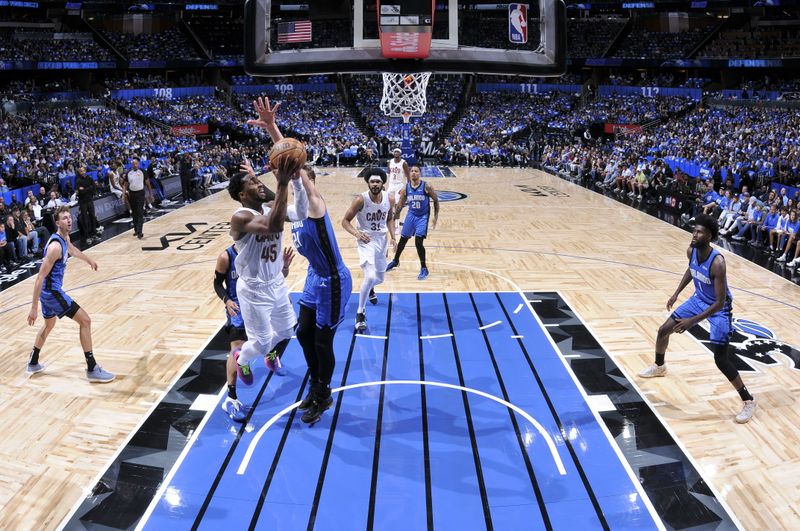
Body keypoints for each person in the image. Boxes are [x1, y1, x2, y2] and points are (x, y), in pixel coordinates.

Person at [254, 96, 353, 425]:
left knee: (323, 342)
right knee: (303, 334)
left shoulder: (314, 204)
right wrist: (270, 128)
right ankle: (316, 383)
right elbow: (282, 182)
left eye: (299, 175)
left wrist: (274, 130)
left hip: (334, 280)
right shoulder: (294, 212)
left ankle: (323, 393)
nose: (295, 179)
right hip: (315, 278)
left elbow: (294, 173)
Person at [639, 214, 756, 424]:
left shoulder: (718, 263)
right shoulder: (691, 250)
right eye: (694, 230)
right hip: (699, 299)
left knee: (720, 359)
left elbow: (719, 303)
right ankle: (659, 366)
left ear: (709, 236)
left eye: (699, 232)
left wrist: (692, 321)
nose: (694, 234)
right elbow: (691, 270)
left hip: (719, 309)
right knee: (663, 330)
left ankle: (748, 401)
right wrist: (676, 293)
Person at [228, 97, 309, 396]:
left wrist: (295, 179)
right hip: (253, 290)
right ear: (240, 194)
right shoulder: (241, 217)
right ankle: (242, 358)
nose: (259, 183)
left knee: (288, 331)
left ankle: (271, 355)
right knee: (259, 342)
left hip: (276, 283)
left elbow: (298, 212)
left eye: (259, 178)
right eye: (252, 182)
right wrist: (284, 183)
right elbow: (274, 225)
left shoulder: (268, 205)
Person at [26, 206, 114, 382]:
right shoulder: (56, 247)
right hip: (52, 293)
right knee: (86, 321)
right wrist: (33, 308)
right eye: (65, 218)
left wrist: (89, 260)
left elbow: (73, 250)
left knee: (49, 325)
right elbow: (39, 278)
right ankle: (92, 367)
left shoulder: (64, 238)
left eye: (69, 217)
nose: (69, 220)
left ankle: (33, 361)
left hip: (48, 293)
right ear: (57, 222)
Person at [215, 242, 295, 422]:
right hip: (238, 308)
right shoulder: (226, 257)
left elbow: (278, 277)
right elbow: (217, 284)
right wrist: (226, 300)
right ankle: (231, 398)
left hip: (263, 303)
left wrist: (285, 267)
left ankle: (271, 356)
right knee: (237, 348)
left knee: (284, 330)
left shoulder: (263, 251)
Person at [341, 167, 396, 332]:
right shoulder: (360, 200)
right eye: (372, 181)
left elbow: (390, 218)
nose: (375, 184)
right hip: (365, 240)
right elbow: (345, 221)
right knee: (370, 275)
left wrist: (393, 237)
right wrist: (357, 233)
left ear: (382, 183)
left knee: (380, 278)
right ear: (368, 183)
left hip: (382, 240)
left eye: (378, 181)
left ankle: (371, 287)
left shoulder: (390, 198)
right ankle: (360, 312)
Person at [385, 165, 440, 280]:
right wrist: (394, 217)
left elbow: (435, 200)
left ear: (420, 173)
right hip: (411, 215)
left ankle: (424, 268)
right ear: (409, 174)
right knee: (403, 240)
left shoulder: (426, 186)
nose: (414, 173)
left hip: (423, 216)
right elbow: (400, 204)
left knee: (418, 242)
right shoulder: (406, 188)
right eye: (412, 171)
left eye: (416, 171)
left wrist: (435, 217)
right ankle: (395, 261)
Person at [124, 157, 149, 239]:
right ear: (131, 165)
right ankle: (136, 229)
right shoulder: (128, 173)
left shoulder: (143, 171)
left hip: (140, 193)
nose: (134, 165)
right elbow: (125, 184)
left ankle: (140, 232)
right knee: (134, 212)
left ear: (138, 164)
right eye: (133, 164)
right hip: (132, 194)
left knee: (140, 212)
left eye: (136, 163)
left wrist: (150, 193)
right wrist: (124, 194)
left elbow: (147, 183)